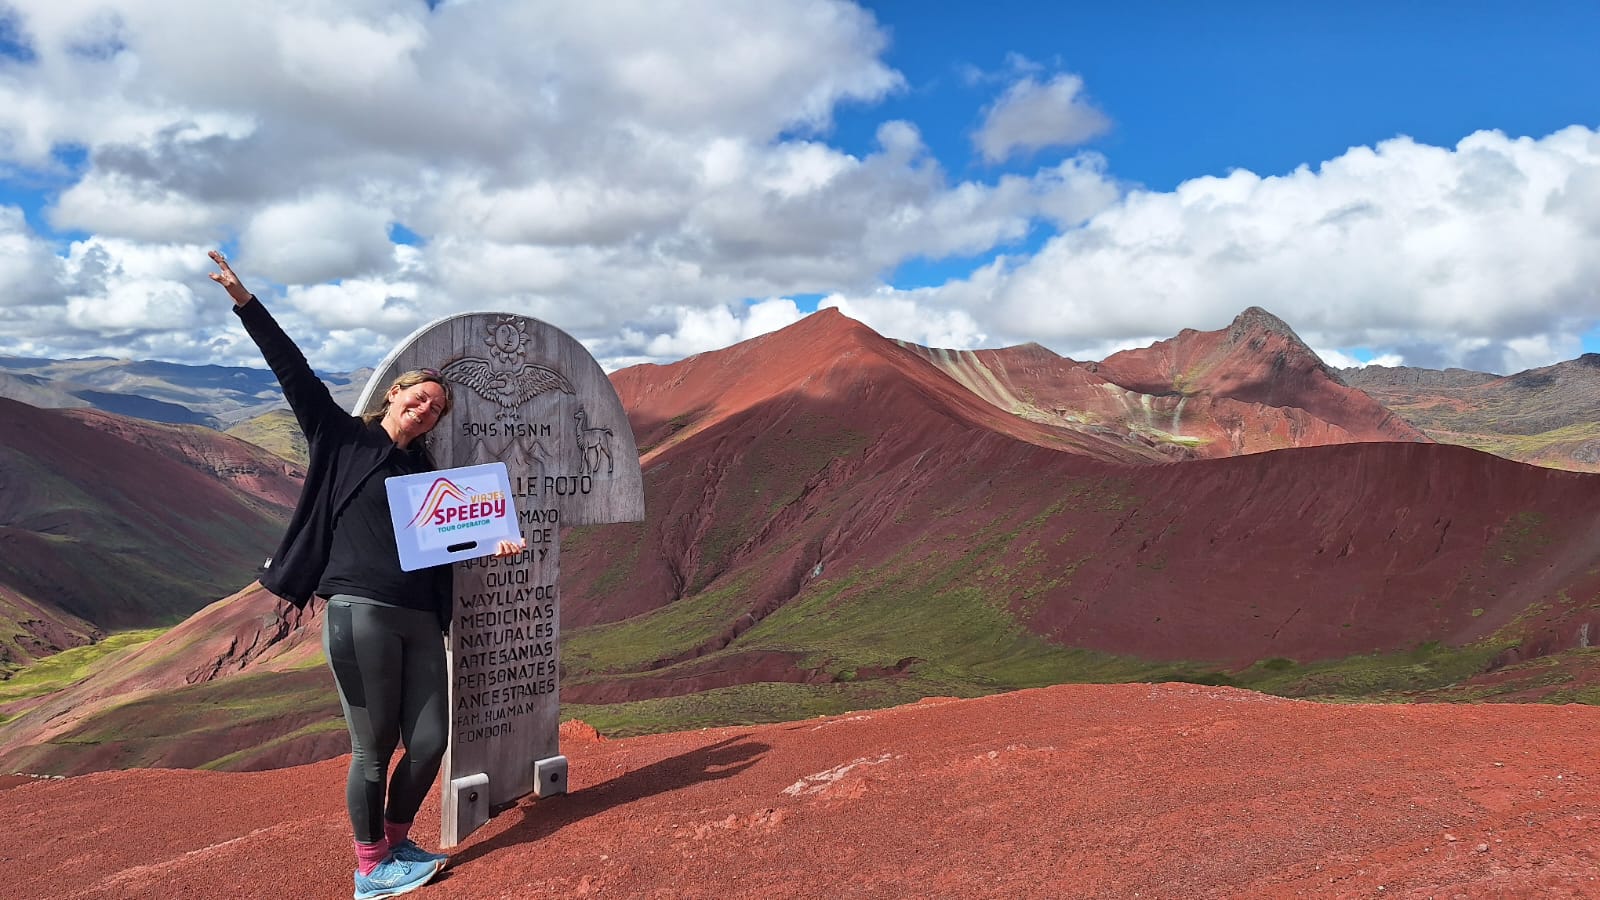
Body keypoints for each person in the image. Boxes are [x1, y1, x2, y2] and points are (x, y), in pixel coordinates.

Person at [209, 250, 523, 900]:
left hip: (420, 617)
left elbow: (450, 540)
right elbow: (290, 368)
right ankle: (370, 869)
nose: (427, 411)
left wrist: (491, 542)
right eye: (420, 399)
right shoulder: (341, 438)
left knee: (432, 740)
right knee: (374, 745)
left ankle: (395, 842)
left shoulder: (429, 477)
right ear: (394, 396)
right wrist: (246, 300)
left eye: (437, 409)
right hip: (361, 611)